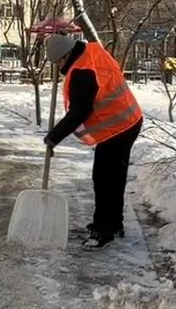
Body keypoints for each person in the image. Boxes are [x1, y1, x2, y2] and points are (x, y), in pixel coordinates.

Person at [43, 33, 143, 248]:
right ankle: (113, 223)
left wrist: (53, 137)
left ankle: (103, 230)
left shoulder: (82, 72)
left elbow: (79, 112)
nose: (58, 66)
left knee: (105, 178)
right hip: (127, 118)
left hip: (119, 126)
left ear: (67, 55)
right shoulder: (92, 51)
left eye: (59, 62)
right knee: (113, 177)